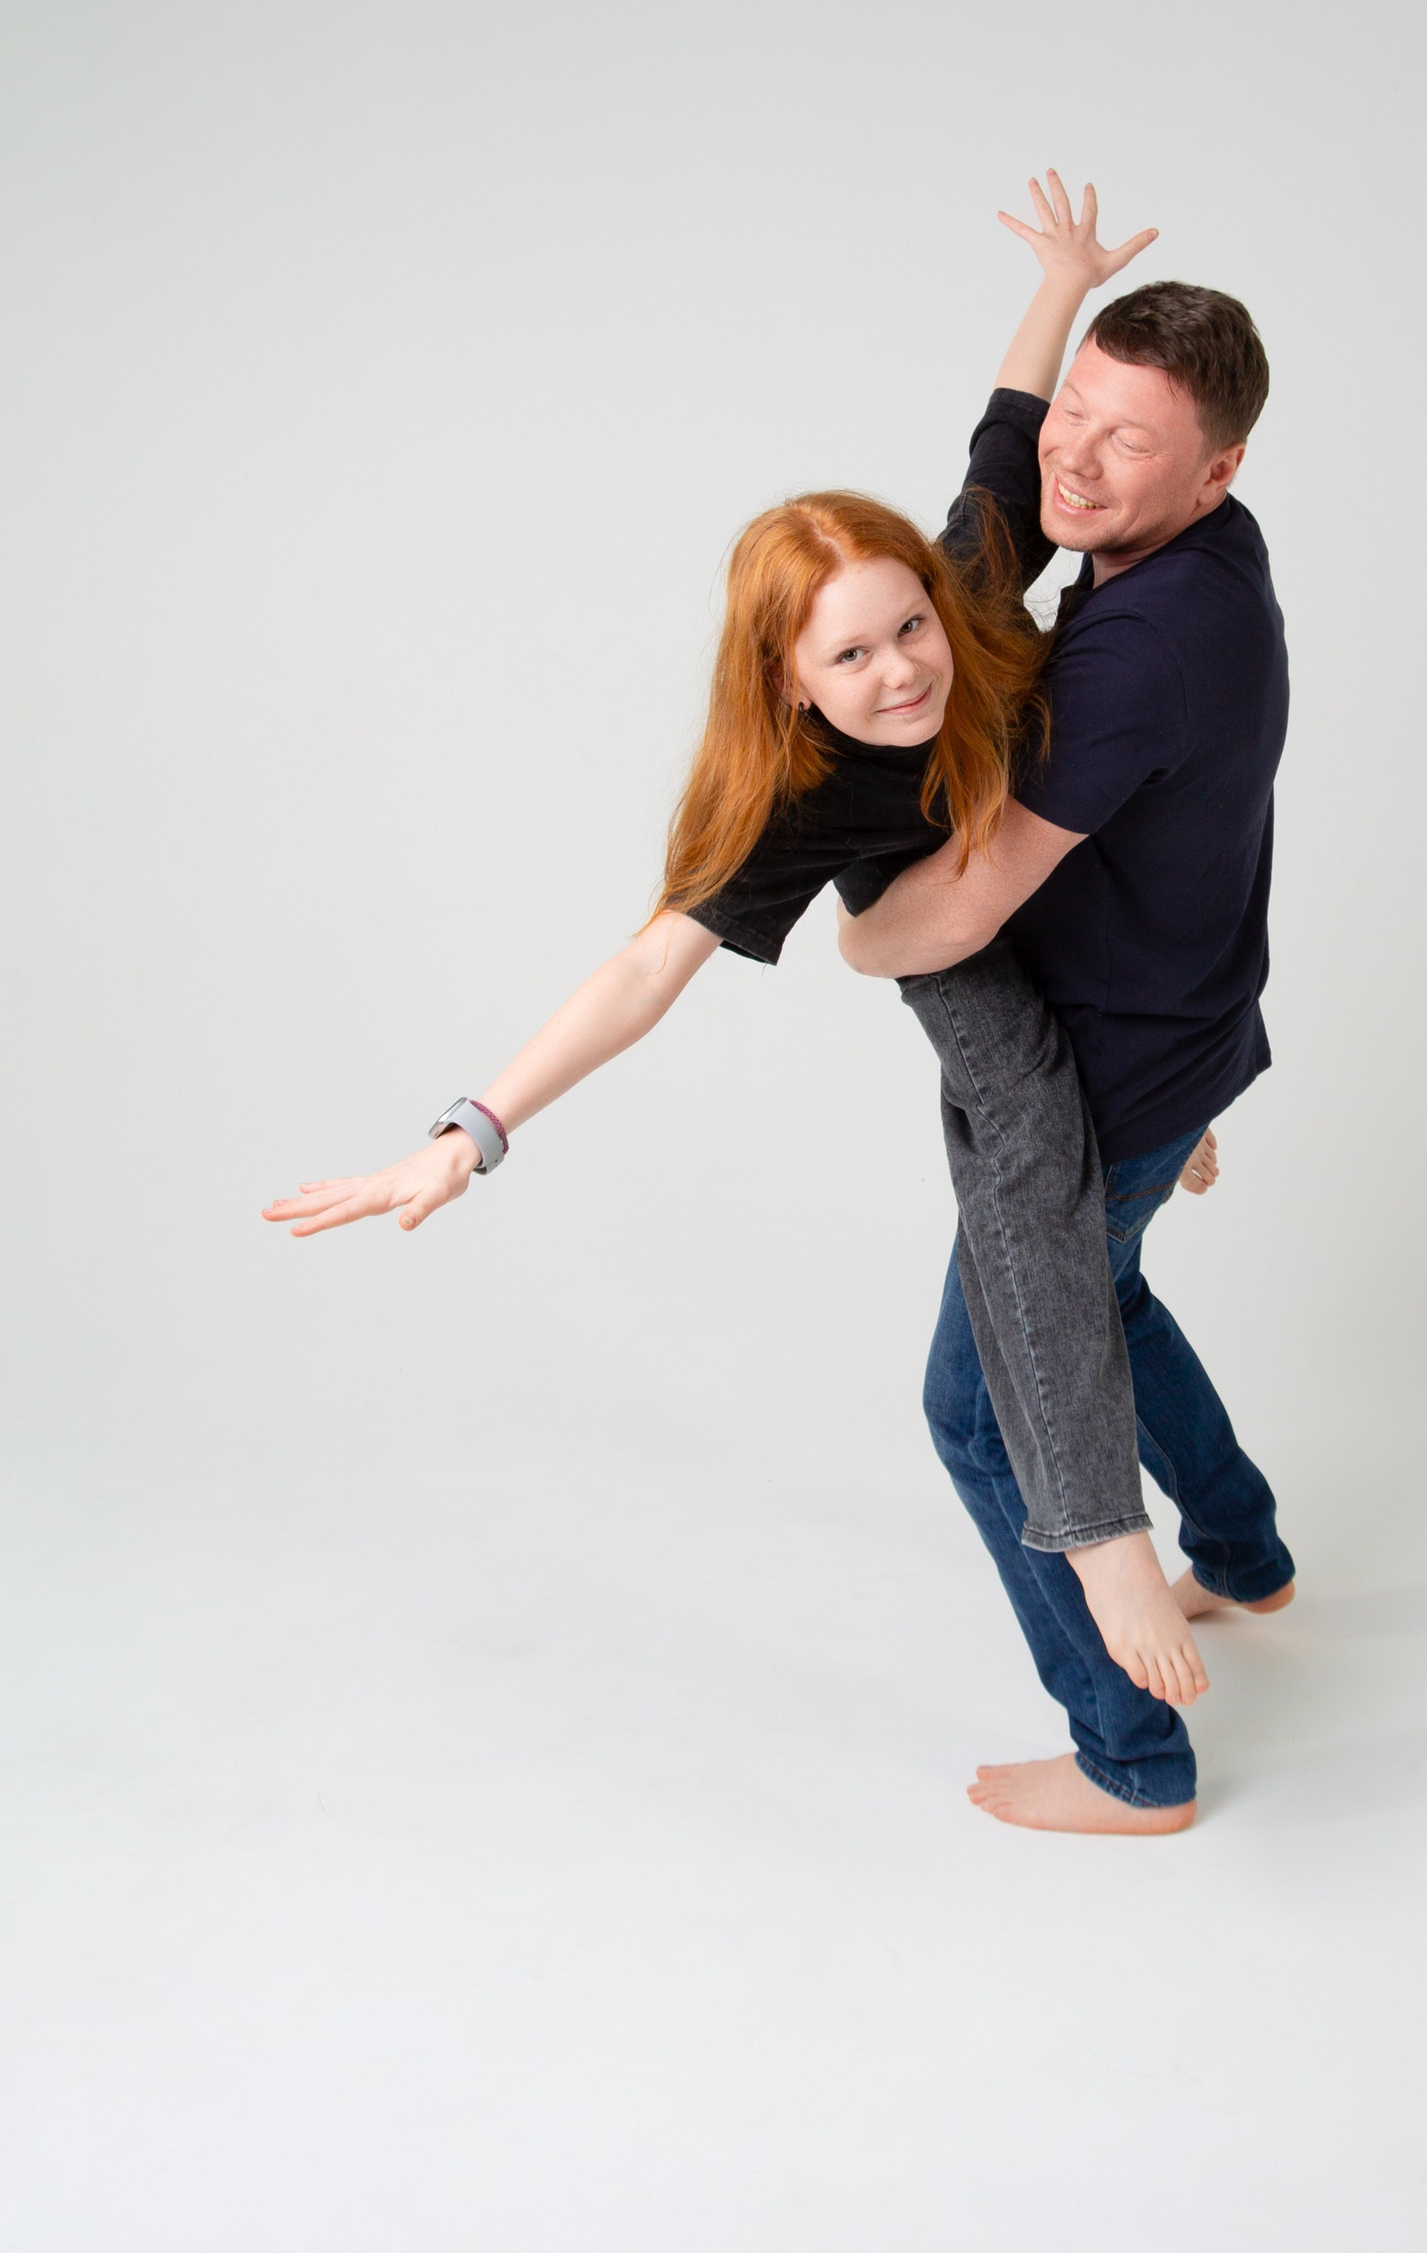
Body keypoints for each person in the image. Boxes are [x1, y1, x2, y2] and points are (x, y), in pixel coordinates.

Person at [262, 179, 1211, 1711]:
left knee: (1116, 934)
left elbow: (1011, 422)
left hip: (1050, 876)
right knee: (1032, 1130)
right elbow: (645, 968)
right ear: (788, 680)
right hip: (954, 942)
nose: (902, 672)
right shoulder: (798, 797)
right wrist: (469, 1133)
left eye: (908, 628)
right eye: (851, 655)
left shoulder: (969, 590)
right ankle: (1105, 1535)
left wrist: (1063, 281)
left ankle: (1238, 1533)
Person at [838, 246, 1298, 1836]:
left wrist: (855, 933)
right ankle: (1244, 1552)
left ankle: (1133, 1760)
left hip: (1106, 1082)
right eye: (1077, 415)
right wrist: (1059, 296)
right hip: (1185, 1028)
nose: (1076, 462)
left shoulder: (1136, 651)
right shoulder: (1207, 555)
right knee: (1110, 1296)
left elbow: (964, 910)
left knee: (981, 1411)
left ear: (1218, 468)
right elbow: (1005, 468)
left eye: (1129, 441)